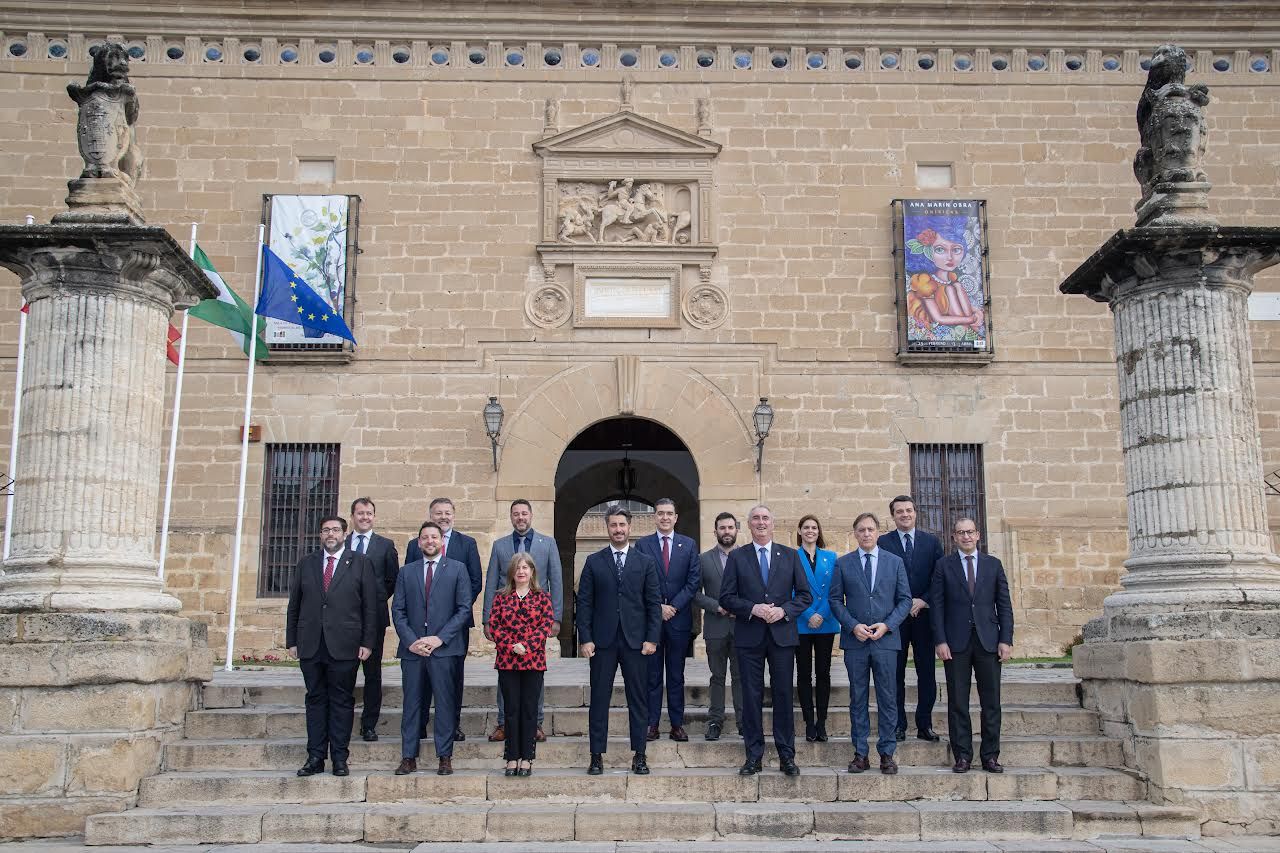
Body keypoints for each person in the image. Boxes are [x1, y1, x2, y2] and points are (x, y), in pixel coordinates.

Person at [719, 504, 812, 777]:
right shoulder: (737, 557)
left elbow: (805, 596)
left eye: (766, 518)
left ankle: (787, 755)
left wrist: (784, 611)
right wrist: (753, 608)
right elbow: (726, 597)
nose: (761, 523)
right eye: (756, 519)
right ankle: (753, 756)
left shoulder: (791, 556)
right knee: (751, 696)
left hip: (782, 636)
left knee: (783, 695)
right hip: (749, 637)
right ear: (748, 525)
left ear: (774, 523)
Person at [285, 515, 380, 778]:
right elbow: (295, 604)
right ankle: (315, 756)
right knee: (315, 699)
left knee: (341, 701)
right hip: (311, 643)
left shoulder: (360, 563)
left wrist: (367, 642)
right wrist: (291, 640)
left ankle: (339, 757)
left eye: (336, 530)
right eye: (326, 530)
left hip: (345, 644)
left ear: (344, 534)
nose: (330, 534)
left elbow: (370, 607)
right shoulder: (307, 564)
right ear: (320, 535)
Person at [575, 505, 661, 776]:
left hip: (637, 642)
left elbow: (652, 604)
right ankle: (596, 755)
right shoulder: (594, 561)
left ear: (630, 527)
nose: (618, 529)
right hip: (602, 642)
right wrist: (585, 638)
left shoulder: (645, 562)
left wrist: (652, 639)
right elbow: (585, 604)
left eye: (622, 525)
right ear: (607, 527)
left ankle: (640, 755)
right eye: (613, 525)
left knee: (639, 700)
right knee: (600, 699)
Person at [829, 512, 912, 775]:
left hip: (886, 641)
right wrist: (853, 626)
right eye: (861, 530)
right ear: (855, 533)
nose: (866, 534)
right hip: (856, 642)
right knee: (858, 698)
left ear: (878, 532)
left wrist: (887, 625)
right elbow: (834, 601)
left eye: (871, 529)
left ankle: (887, 753)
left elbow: (905, 600)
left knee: (888, 698)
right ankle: (860, 753)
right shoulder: (843, 564)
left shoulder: (894, 562)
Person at [930, 517, 1014, 774]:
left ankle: (990, 756)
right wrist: (940, 641)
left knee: (992, 702)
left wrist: (1006, 639)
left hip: (988, 641)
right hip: (955, 644)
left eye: (970, 532)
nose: (965, 537)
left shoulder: (993, 565)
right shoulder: (944, 566)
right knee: (957, 702)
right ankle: (963, 756)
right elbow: (937, 607)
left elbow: (1005, 605)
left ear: (978, 535)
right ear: (953, 537)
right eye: (960, 533)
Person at [391, 521, 472, 776]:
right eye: (425, 537)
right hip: (413, 651)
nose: (429, 541)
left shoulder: (458, 569)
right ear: (418, 543)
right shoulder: (407, 572)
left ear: (441, 541)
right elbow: (398, 610)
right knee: (412, 704)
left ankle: (444, 756)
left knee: (445, 705)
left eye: (434, 537)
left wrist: (440, 639)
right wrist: (411, 641)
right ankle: (408, 756)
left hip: (444, 650)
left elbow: (463, 609)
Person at [483, 498, 563, 744]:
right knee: (505, 675)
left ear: (531, 516)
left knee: (534, 674)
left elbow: (556, 581)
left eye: (524, 513)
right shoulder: (499, 546)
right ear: (511, 517)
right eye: (516, 514)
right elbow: (491, 583)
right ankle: (503, 723)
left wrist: (556, 618)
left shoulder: (548, 544)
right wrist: (487, 619)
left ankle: (536, 723)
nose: (520, 517)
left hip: (535, 622)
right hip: (506, 623)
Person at [405, 498, 482, 743]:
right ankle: (420, 724)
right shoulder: (413, 545)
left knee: (453, 678)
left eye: (447, 513)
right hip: (421, 628)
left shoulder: (467, 544)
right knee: (422, 679)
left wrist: (452, 620)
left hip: (454, 627)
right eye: (438, 513)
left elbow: (475, 582)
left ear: (454, 515)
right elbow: (411, 583)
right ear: (430, 515)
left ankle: (453, 724)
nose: (443, 517)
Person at [877, 495, 946, 742]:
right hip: (895, 618)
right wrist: (901, 605)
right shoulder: (883, 542)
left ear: (915, 513)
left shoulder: (931, 542)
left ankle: (924, 724)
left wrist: (922, 600)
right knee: (894, 673)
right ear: (893, 516)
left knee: (926, 672)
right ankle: (898, 725)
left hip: (924, 616)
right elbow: (881, 579)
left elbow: (939, 578)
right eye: (899, 512)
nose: (904, 515)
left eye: (908, 510)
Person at [635, 498, 700, 742]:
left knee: (676, 675)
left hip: (678, 621)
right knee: (651, 676)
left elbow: (693, 581)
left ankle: (676, 724)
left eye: (669, 513)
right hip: (652, 622)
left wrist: (673, 606)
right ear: (654, 517)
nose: (664, 517)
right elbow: (639, 581)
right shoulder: (642, 545)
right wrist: (658, 607)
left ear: (676, 517)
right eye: (660, 513)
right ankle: (651, 724)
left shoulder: (689, 545)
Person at [488, 552, 555, 778]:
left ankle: (527, 758)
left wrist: (527, 646)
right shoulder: (501, 597)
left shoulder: (542, 597)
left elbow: (546, 626)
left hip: (533, 661)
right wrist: (510, 645)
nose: (521, 571)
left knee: (529, 711)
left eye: (526, 567)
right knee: (511, 711)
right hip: (508, 661)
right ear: (512, 573)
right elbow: (494, 626)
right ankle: (511, 757)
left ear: (532, 571)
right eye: (518, 567)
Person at [346, 497, 400, 742]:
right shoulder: (343, 543)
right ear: (353, 516)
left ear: (374, 516)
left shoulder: (385, 546)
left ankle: (369, 724)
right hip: (344, 620)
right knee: (344, 672)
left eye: (369, 513)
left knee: (372, 674)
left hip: (374, 619)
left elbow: (391, 580)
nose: (365, 517)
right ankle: (342, 721)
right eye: (360, 513)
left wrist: (372, 603)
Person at [696, 512, 743, 741]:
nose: (726, 531)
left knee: (740, 676)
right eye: (722, 528)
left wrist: (741, 608)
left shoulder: (747, 557)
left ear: (737, 530)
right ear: (715, 531)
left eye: (730, 527)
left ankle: (744, 721)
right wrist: (718, 607)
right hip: (715, 627)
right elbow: (694, 594)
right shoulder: (703, 560)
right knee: (717, 676)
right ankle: (715, 720)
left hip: (743, 627)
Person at [795, 514, 839, 743]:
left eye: (814, 527)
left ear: (819, 531)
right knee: (803, 674)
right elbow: (789, 590)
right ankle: (808, 723)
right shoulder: (792, 557)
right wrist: (809, 613)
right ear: (800, 531)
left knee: (823, 673)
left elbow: (835, 590)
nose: (810, 530)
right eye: (806, 527)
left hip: (826, 621)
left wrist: (821, 613)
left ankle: (821, 722)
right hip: (801, 622)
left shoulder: (831, 557)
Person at [904, 217, 985, 337]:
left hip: (960, 321)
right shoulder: (925, 282)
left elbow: (960, 303)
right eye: (940, 249)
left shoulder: (953, 279)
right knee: (950, 289)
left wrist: (976, 311)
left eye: (956, 250)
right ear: (928, 252)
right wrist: (970, 319)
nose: (950, 257)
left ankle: (969, 332)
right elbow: (938, 318)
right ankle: (968, 330)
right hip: (932, 324)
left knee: (955, 286)